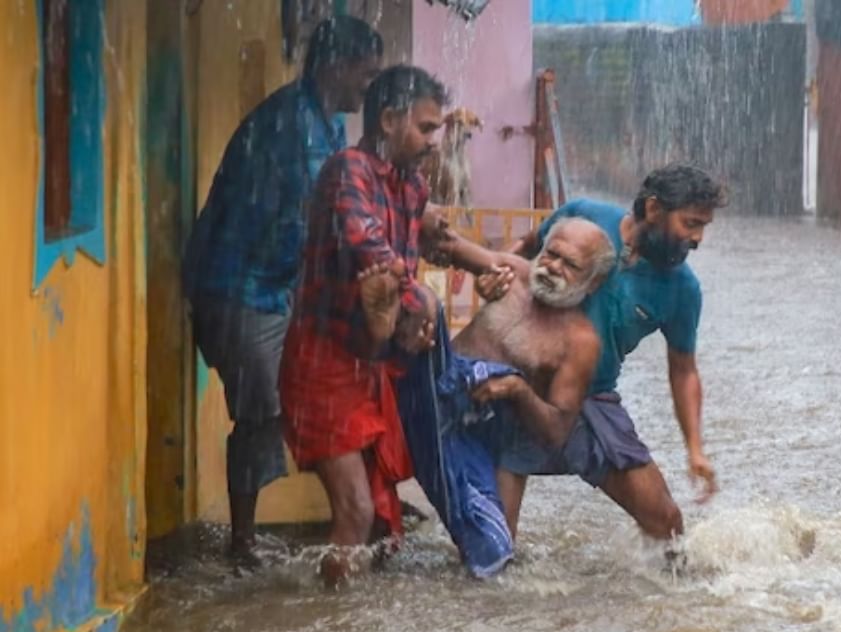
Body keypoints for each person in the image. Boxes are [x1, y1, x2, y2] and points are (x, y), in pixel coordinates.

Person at [181, 17, 383, 565]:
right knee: (263, 410)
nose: (367, 89)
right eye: (364, 77)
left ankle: (355, 504)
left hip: (277, 289)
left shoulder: (328, 122)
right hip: (239, 287)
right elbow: (310, 223)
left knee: (310, 394)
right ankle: (242, 542)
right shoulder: (290, 126)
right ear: (334, 66)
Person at [486, 164, 728, 544]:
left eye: (703, 227)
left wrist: (695, 449)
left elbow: (683, 370)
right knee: (491, 548)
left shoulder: (682, 290)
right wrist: (494, 279)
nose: (697, 238)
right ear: (653, 209)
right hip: (518, 387)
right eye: (690, 223)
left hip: (592, 400)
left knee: (668, 525)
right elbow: (528, 246)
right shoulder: (584, 217)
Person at [278, 65, 447, 585]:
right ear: (389, 119)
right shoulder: (347, 169)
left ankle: (349, 625)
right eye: (425, 128)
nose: (431, 143)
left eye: (435, 131)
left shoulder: (413, 188)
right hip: (323, 361)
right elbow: (369, 251)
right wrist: (422, 305)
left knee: (376, 518)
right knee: (354, 509)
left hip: (370, 363)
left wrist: (412, 321)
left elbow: (404, 274)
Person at [396, 217, 615, 576]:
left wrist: (517, 390)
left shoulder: (580, 342)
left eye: (570, 265)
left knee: (493, 557)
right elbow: (446, 246)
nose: (552, 268)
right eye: (550, 255)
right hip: (428, 389)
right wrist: (419, 215)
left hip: (476, 433)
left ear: (594, 281)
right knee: (424, 303)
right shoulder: (512, 271)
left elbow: (556, 430)